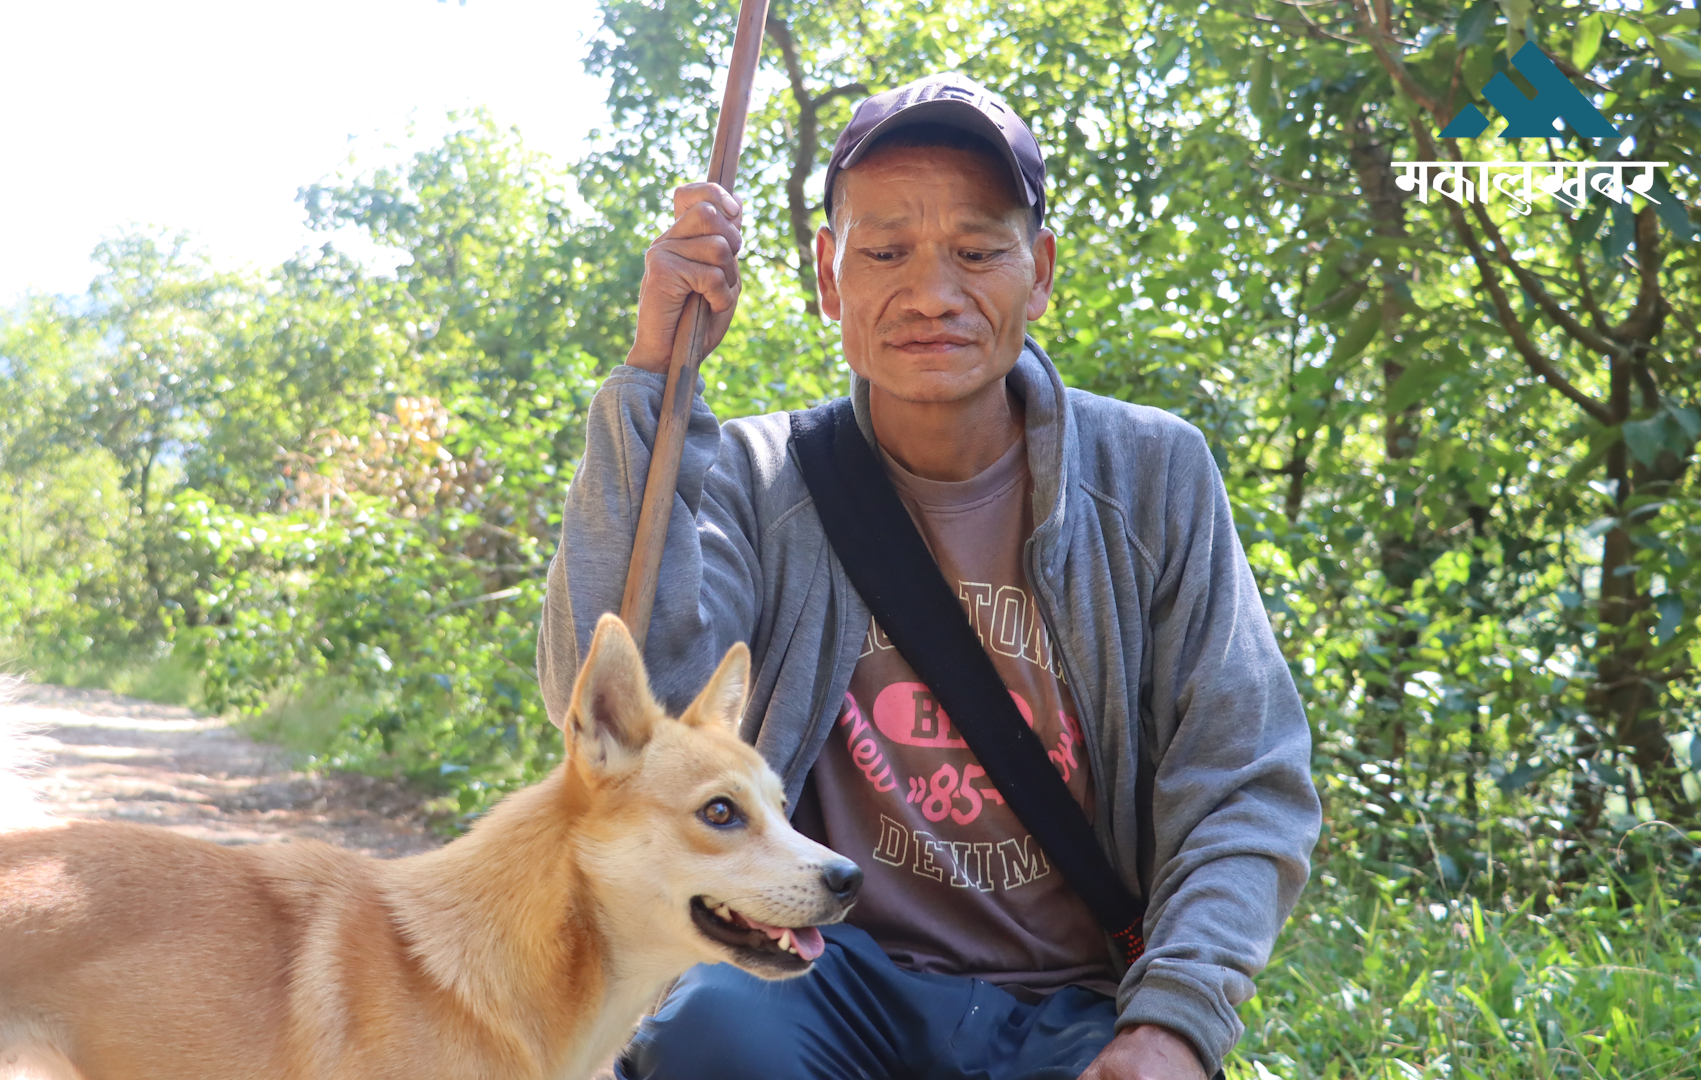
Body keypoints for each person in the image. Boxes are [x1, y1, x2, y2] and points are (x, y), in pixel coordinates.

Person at [538, 72, 1319, 1080]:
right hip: (820, 972)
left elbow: (1245, 782)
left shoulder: (1154, 477)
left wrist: (1172, 1022)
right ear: (829, 276)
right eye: (886, 251)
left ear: (1038, 271)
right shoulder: (759, 480)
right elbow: (616, 713)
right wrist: (657, 375)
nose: (933, 294)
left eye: (978, 251)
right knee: (704, 1038)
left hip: (1074, 1002)